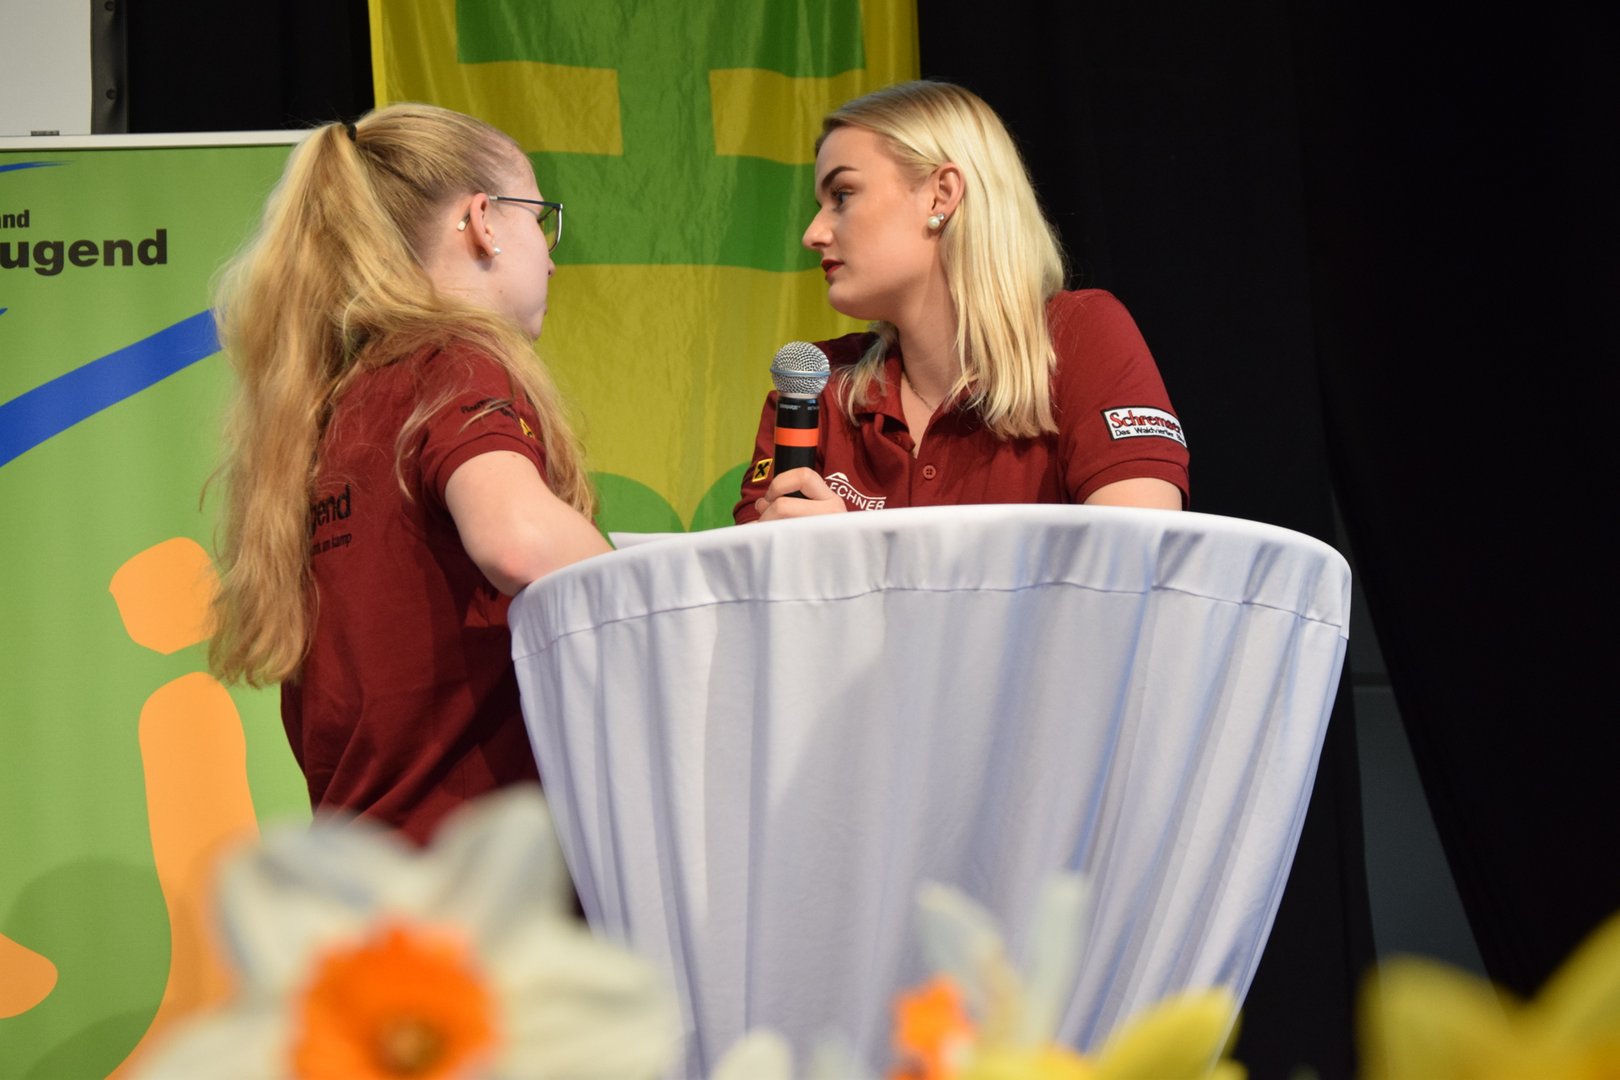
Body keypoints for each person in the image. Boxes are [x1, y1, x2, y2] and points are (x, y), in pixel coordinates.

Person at [208, 104, 610, 844]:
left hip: (367, 873)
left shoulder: (334, 403)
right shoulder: (455, 364)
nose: (552, 258)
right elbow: (518, 540)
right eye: (538, 219)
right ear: (483, 221)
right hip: (475, 876)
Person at [734, 81, 1188, 523]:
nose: (813, 234)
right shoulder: (813, 389)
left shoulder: (1082, 335)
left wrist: (856, 553)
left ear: (942, 194)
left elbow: (1134, 560)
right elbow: (745, 570)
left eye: (842, 195)